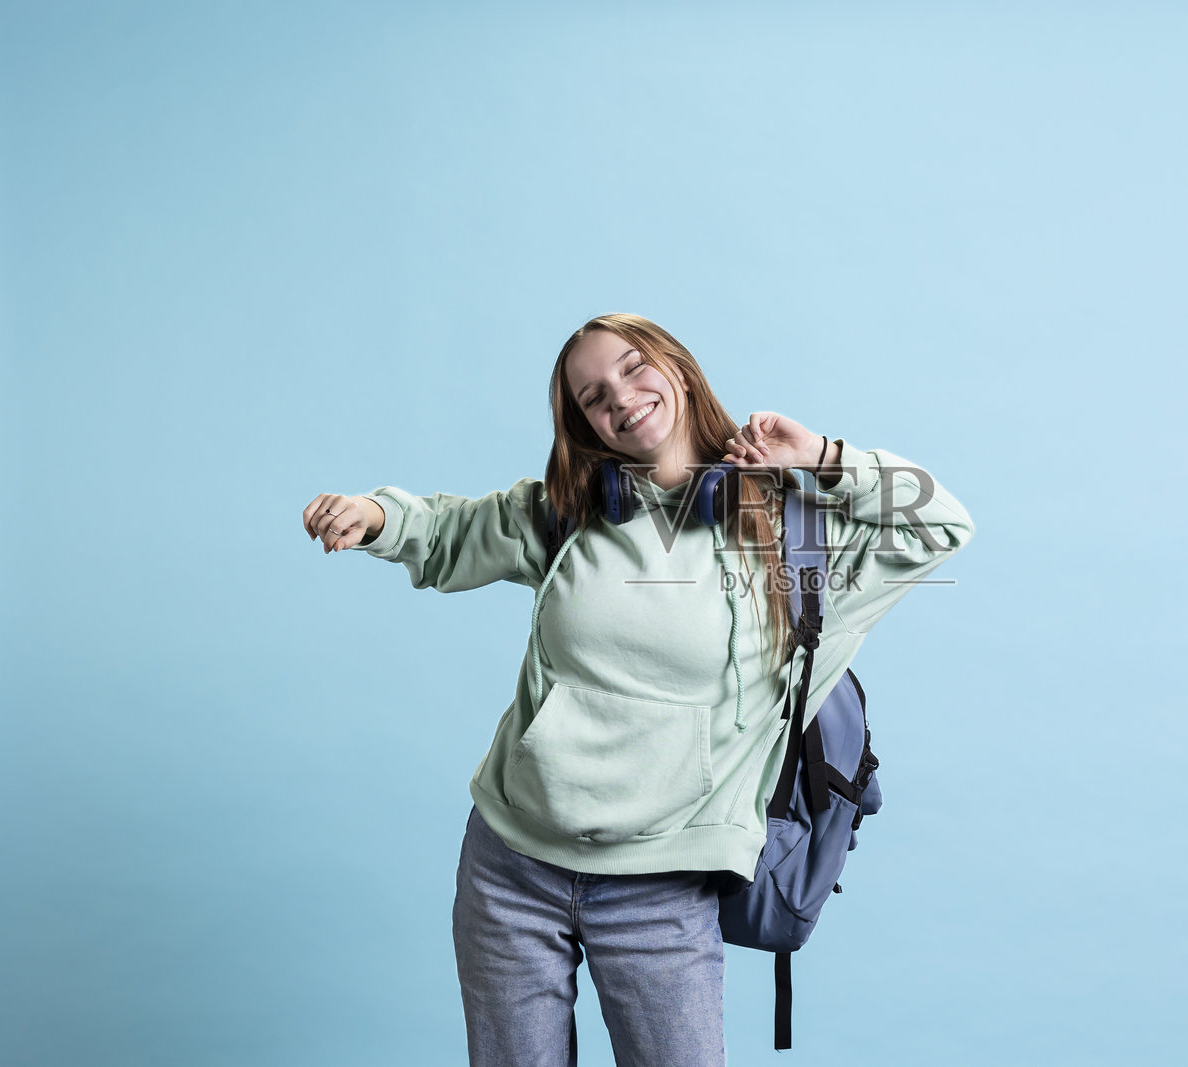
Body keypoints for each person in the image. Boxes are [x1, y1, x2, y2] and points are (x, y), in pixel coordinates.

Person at [300, 313, 973, 1066]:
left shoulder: (797, 536)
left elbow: (941, 524)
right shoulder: (571, 510)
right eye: (593, 395)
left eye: (633, 367)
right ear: (586, 425)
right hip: (511, 864)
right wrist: (378, 515)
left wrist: (819, 456)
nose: (620, 396)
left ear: (679, 369)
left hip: (665, 884)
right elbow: (453, 529)